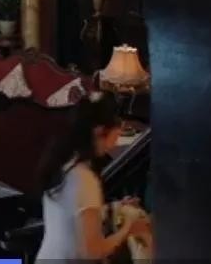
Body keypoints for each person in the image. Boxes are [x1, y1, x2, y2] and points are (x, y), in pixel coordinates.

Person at [36, 90, 152, 261]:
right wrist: (129, 228)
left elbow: (72, 213)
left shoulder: (63, 160)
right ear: (99, 131)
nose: (115, 142)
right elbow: (92, 252)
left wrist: (115, 207)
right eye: (116, 133)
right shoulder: (84, 179)